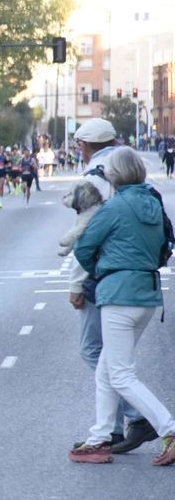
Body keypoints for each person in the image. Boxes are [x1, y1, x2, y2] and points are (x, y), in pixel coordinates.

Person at [67, 147, 175, 463]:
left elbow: (84, 246)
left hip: (118, 294)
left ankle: (168, 429)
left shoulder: (113, 208)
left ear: (114, 174)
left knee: (121, 374)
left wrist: (101, 269)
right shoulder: (153, 203)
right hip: (146, 293)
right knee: (106, 370)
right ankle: (100, 437)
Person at [62, 119, 153, 456]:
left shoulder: (93, 177)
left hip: (102, 274)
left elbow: (86, 234)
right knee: (109, 357)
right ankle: (110, 429)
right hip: (135, 273)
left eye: (78, 143)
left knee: (95, 351)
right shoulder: (124, 166)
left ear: (85, 144)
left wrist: (75, 282)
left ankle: (138, 418)